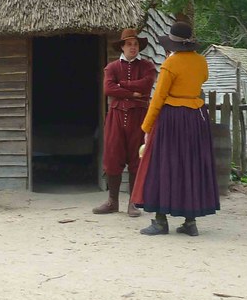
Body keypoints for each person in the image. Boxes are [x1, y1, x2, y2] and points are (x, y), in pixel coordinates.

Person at [132, 20, 219, 236]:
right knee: (191, 165)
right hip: (196, 118)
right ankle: (191, 222)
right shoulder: (201, 62)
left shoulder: (171, 64)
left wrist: (147, 125)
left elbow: (159, 96)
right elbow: (203, 79)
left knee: (162, 165)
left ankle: (160, 222)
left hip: (172, 119)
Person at [94, 28, 158, 216]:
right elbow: (108, 88)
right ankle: (112, 201)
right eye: (129, 44)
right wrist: (132, 92)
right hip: (116, 116)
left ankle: (133, 202)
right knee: (113, 156)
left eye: (135, 44)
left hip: (139, 116)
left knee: (136, 157)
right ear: (122, 46)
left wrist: (122, 85)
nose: (133, 47)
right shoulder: (112, 67)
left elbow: (146, 85)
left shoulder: (147, 66)